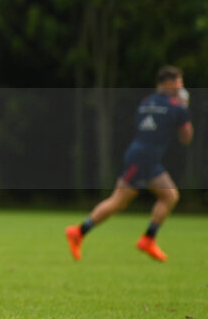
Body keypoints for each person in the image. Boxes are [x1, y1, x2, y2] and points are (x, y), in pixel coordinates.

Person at [65, 66, 193, 262]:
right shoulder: (177, 107)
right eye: (179, 82)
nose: (181, 86)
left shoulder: (145, 103)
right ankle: (79, 231)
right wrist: (184, 110)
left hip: (141, 156)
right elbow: (186, 138)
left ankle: (148, 239)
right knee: (118, 201)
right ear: (169, 83)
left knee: (170, 195)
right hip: (145, 159)